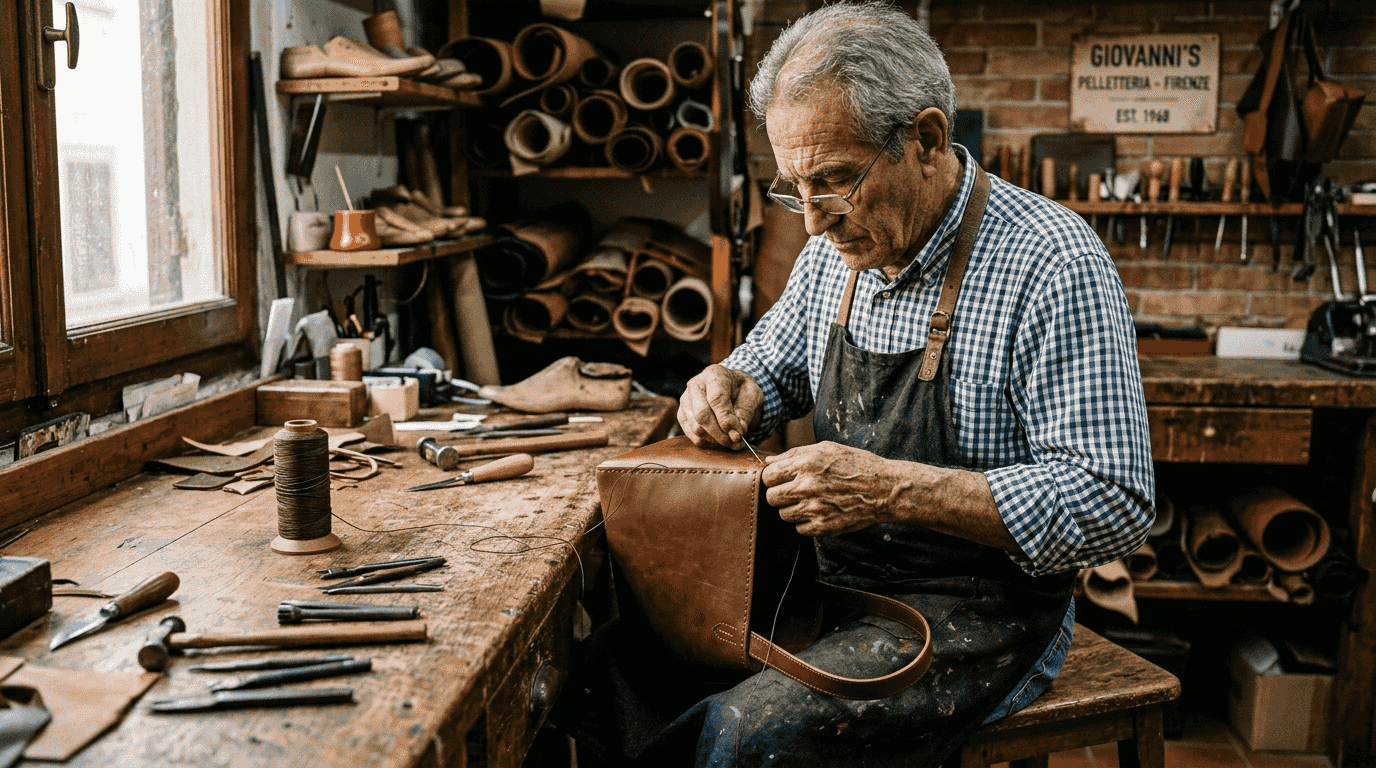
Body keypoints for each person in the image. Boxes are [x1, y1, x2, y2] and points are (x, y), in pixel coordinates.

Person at [556, 4, 1155, 766]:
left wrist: (894, 491)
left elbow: (1113, 502)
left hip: (978, 615)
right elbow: (769, 363)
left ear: (928, 139)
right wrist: (732, 383)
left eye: (835, 182)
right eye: (792, 188)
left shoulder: (1052, 263)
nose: (810, 222)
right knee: (609, 670)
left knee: (749, 735)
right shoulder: (837, 251)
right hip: (829, 587)